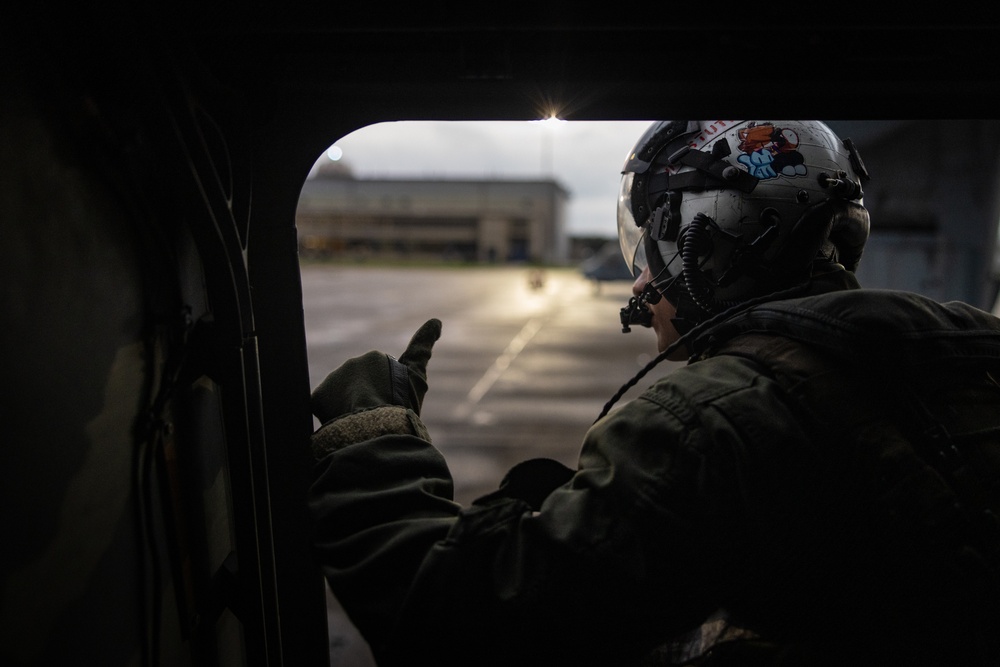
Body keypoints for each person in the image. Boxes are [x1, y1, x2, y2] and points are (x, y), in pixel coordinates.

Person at [307, 120, 1000, 666]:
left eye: (657, 244)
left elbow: (457, 627)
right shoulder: (968, 343)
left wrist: (374, 439)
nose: (642, 284)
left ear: (711, 240)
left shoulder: (702, 423)